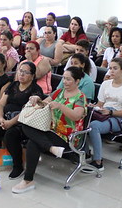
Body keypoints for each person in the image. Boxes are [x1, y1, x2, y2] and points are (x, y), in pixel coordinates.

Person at [5, 66, 87, 194]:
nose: (65, 81)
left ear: (77, 81)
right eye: (64, 78)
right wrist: (37, 100)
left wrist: (60, 106)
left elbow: (76, 116)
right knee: (26, 125)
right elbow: (43, 104)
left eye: (68, 79)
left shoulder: (80, 98)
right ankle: (49, 149)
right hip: (49, 130)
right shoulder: (58, 92)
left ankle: (28, 180)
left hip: (67, 136)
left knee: (33, 142)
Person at [0, 61, 45, 166]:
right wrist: (1, 119)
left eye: (26, 72)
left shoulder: (36, 90)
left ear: (32, 76)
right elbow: (0, 104)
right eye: (20, 71)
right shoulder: (14, 85)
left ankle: (18, 165)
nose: (22, 74)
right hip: (6, 118)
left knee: (10, 135)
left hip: (23, 121)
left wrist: (11, 123)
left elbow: (27, 112)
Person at [88, 58, 122, 169]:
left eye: (115, 68)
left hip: (117, 118)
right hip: (103, 113)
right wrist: (94, 107)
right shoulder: (105, 84)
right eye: (110, 68)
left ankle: (98, 162)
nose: (111, 71)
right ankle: (82, 152)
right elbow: (100, 104)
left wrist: (110, 112)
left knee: (93, 126)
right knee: (81, 118)